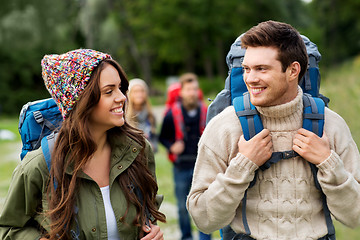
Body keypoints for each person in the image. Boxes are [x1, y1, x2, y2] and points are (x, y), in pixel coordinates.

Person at [187, 20, 360, 240]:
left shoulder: (330, 125)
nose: (250, 79)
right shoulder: (225, 127)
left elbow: (355, 216)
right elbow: (203, 220)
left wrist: (328, 162)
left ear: (293, 70)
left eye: (262, 69)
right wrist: (242, 166)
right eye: (246, 69)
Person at [0, 49, 166, 240]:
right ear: (81, 101)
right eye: (109, 91)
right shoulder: (40, 165)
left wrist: (152, 229)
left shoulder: (138, 150)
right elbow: (7, 228)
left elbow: (149, 208)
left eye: (121, 88)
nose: (121, 97)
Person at [159, 73, 210, 240]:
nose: (192, 93)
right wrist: (171, 146)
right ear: (181, 92)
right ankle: (186, 236)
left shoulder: (207, 112)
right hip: (181, 166)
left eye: (194, 89)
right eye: (188, 89)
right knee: (182, 206)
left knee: (204, 205)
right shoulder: (171, 114)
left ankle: (205, 237)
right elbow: (162, 137)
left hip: (203, 167)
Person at [127, 78, 158, 152]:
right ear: (129, 94)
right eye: (136, 91)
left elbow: (155, 138)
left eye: (142, 91)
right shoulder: (125, 117)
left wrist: (153, 146)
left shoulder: (151, 116)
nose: (139, 94)